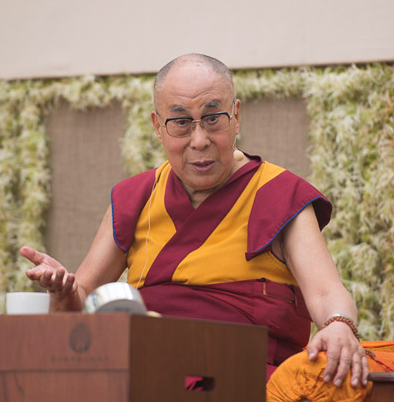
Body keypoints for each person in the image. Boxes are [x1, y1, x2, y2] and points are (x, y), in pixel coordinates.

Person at [20, 53, 368, 388]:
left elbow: (326, 292)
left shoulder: (279, 194)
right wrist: (63, 291)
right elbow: (85, 297)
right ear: (158, 127)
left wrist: (338, 324)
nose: (199, 141)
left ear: (236, 116)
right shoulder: (136, 197)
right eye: (181, 123)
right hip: (149, 374)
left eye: (213, 118)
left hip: (244, 382)